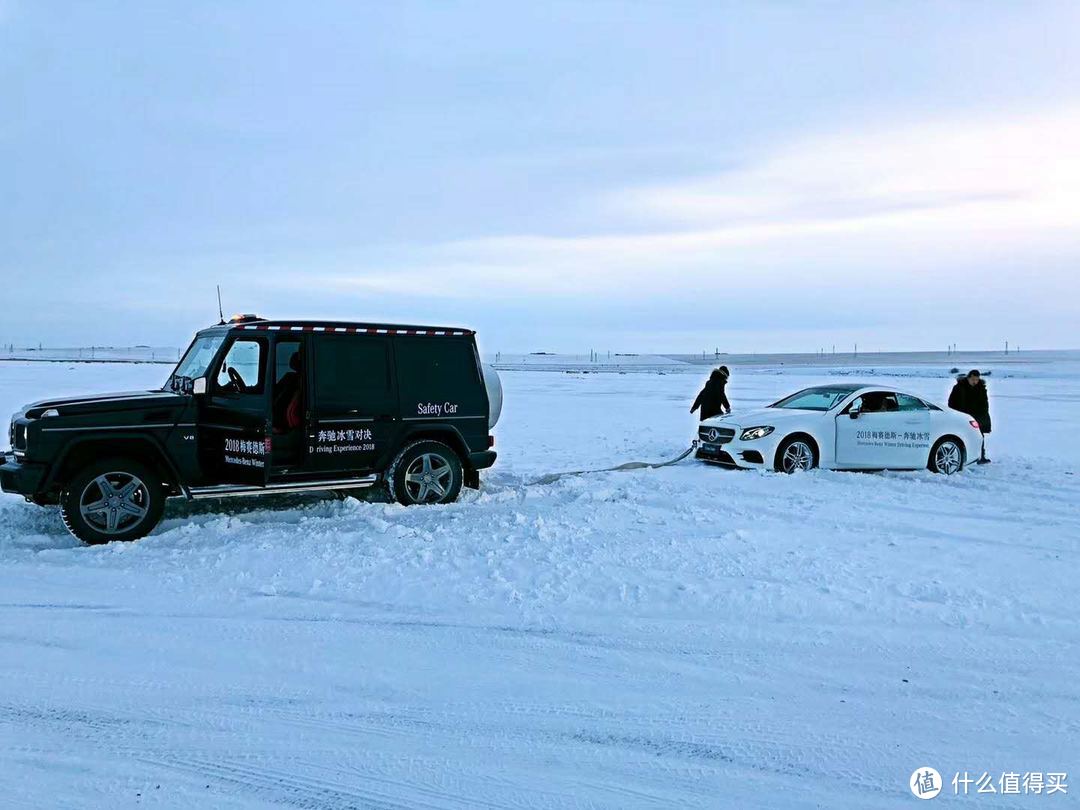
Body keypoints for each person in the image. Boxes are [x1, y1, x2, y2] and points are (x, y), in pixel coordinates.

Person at [949, 369, 991, 463]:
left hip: (978, 417)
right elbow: (951, 402)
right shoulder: (959, 387)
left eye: (976, 379)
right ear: (968, 378)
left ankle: (981, 456)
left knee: (979, 436)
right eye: (973, 379)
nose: (975, 382)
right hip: (962, 416)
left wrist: (983, 415)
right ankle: (958, 455)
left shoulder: (981, 388)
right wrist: (956, 414)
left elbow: (985, 403)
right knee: (960, 435)